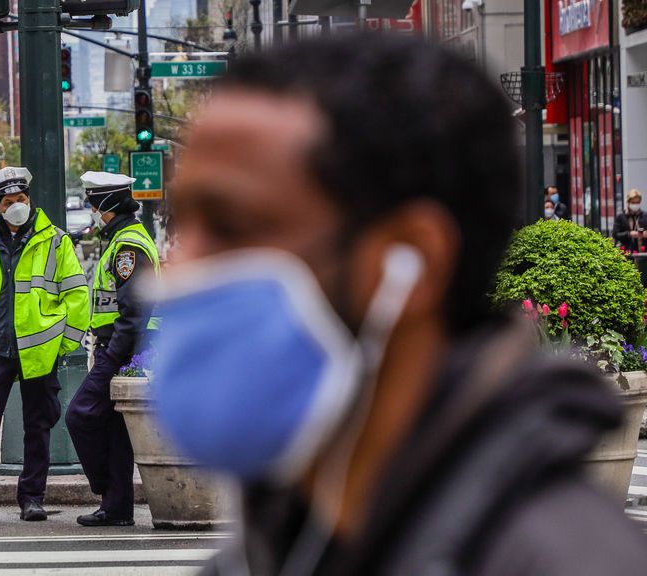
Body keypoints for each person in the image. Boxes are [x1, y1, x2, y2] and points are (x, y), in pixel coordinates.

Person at [150, 35, 647, 575]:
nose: (181, 270)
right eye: (184, 225)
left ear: (408, 262)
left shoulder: (569, 562)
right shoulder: (265, 554)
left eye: (230, 226)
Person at [0, 166, 89, 523]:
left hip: (39, 351)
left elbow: (77, 294)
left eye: (21, 199)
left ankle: (32, 498)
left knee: (38, 425)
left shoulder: (55, 239)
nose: (17, 206)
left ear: (29, 199)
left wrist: (64, 345)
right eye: (9, 201)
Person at [65, 171, 160, 527]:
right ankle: (116, 507)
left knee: (81, 415)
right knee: (114, 430)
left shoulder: (128, 246)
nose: (90, 210)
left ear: (106, 204)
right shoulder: (122, 239)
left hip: (123, 350)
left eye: (93, 203)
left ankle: (105, 489)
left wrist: (110, 360)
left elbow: (133, 312)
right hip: (122, 348)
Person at [614, 188, 647, 253]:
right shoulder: (621, 217)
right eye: (633, 202)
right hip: (626, 252)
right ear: (628, 202)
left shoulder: (644, 216)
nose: (635, 205)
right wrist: (629, 234)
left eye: (637, 202)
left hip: (643, 253)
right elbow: (615, 234)